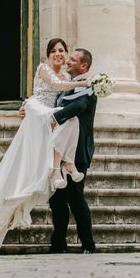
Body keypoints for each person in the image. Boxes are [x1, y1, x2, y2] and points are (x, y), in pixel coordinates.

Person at [0, 38, 90, 257]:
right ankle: (57, 238)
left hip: (56, 136)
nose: (60, 55)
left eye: (63, 51)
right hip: (42, 125)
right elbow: (52, 89)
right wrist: (28, 105)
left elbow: (67, 102)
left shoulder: (74, 82)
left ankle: (84, 241)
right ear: (48, 54)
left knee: (70, 197)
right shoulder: (47, 71)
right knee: (54, 197)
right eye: (54, 51)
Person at [47, 48, 98, 254]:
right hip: (58, 149)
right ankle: (58, 244)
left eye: (73, 60)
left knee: (75, 197)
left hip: (77, 152)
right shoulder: (67, 85)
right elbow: (49, 102)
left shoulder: (88, 87)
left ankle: (88, 244)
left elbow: (79, 106)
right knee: (56, 199)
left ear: (83, 66)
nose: (68, 61)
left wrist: (55, 118)